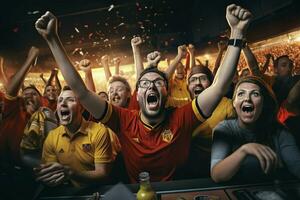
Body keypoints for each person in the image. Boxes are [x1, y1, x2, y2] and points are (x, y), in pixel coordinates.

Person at [35, 4, 252, 182]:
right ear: (137, 95)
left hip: (176, 193)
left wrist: (237, 33)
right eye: (145, 84)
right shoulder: (122, 119)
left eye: (158, 82)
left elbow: (220, 86)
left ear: (167, 93)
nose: (151, 86)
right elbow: (81, 92)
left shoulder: (182, 117)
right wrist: (52, 40)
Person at [211, 76, 300, 183]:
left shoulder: (280, 131)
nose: (247, 98)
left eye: (255, 94)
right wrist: (244, 150)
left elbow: (296, 167)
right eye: (241, 94)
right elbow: (217, 175)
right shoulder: (224, 129)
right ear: (234, 103)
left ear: (264, 103)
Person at [35, 86, 114, 188]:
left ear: (81, 108)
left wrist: (71, 173)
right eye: (60, 101)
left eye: (70, 100)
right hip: (69, 192)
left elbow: (102, 173)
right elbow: (52, 174)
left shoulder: (99, 131)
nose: (63, 104)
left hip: (98, 190)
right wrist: (46, 177)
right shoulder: (52, 136)